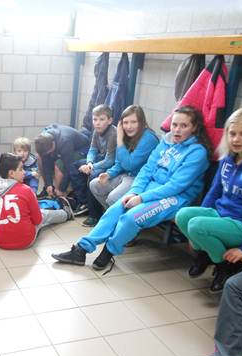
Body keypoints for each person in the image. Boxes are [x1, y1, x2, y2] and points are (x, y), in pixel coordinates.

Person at [51, 105, 212, 273]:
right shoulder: (167, 141)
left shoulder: (197, 153)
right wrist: (135, 191)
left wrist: (141, 198)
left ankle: (108, 251)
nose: (177, 130)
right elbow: (147, 169)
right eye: (174, 124)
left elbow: (175, 186)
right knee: (115, 209)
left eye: (183, 126)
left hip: (175, 197)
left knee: (131, 218)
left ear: (194, 127)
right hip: (150, 187)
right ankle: (81, 250)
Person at [175, 106, 242, 293]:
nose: (236, 139)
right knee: (183, 216)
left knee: (196, 226)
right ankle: (206, 254)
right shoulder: (228, 158)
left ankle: (224, 266)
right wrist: (195, 235)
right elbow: (214, 192)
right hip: (221, 215)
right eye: (232, 134)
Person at [0, 153, 70, 250]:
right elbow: (38, 220)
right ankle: (66, 213)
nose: (24, 172)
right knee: (43, 214)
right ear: (11, 173)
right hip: (26, 241)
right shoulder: (26, 190)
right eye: (21, 169)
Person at [89, 104, 159, 213]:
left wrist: (120, 140)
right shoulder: (126, 135)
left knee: (112, 198)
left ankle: (116, 217)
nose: (129, 126)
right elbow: (119, 163)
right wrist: (109, 174)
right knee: (95, 185)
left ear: (141, 122)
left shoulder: (148, 138)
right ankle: (114, 215)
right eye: (125, 122)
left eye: (133, 122)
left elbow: (129, 164)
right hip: (126, 175)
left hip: (140, 179)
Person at [71, 104, 117, 226]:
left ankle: (94, 215)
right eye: (95, 119)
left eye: (101, 119)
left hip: (113, 164)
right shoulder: (97, 131)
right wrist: (89, 163)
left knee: (93, 175)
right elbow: (92, 150)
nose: (97, 123)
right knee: (75, 166)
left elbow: (110, 160)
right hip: (100, 159)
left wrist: (92, 167)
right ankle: (84, 202)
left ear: (110, 120)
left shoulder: (113, 134)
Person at [34, 123, 91, 199]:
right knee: (40, 158)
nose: (49, 154)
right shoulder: (43, 139)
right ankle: (50, 189)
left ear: (53, 143)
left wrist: (61, 189)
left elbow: (69, 168)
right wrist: (48, 184)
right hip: (67, 147)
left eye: (49, 152)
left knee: (59, 165)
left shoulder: (64, 141)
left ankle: (59, 194)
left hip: (83, 149)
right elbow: (46, 163)